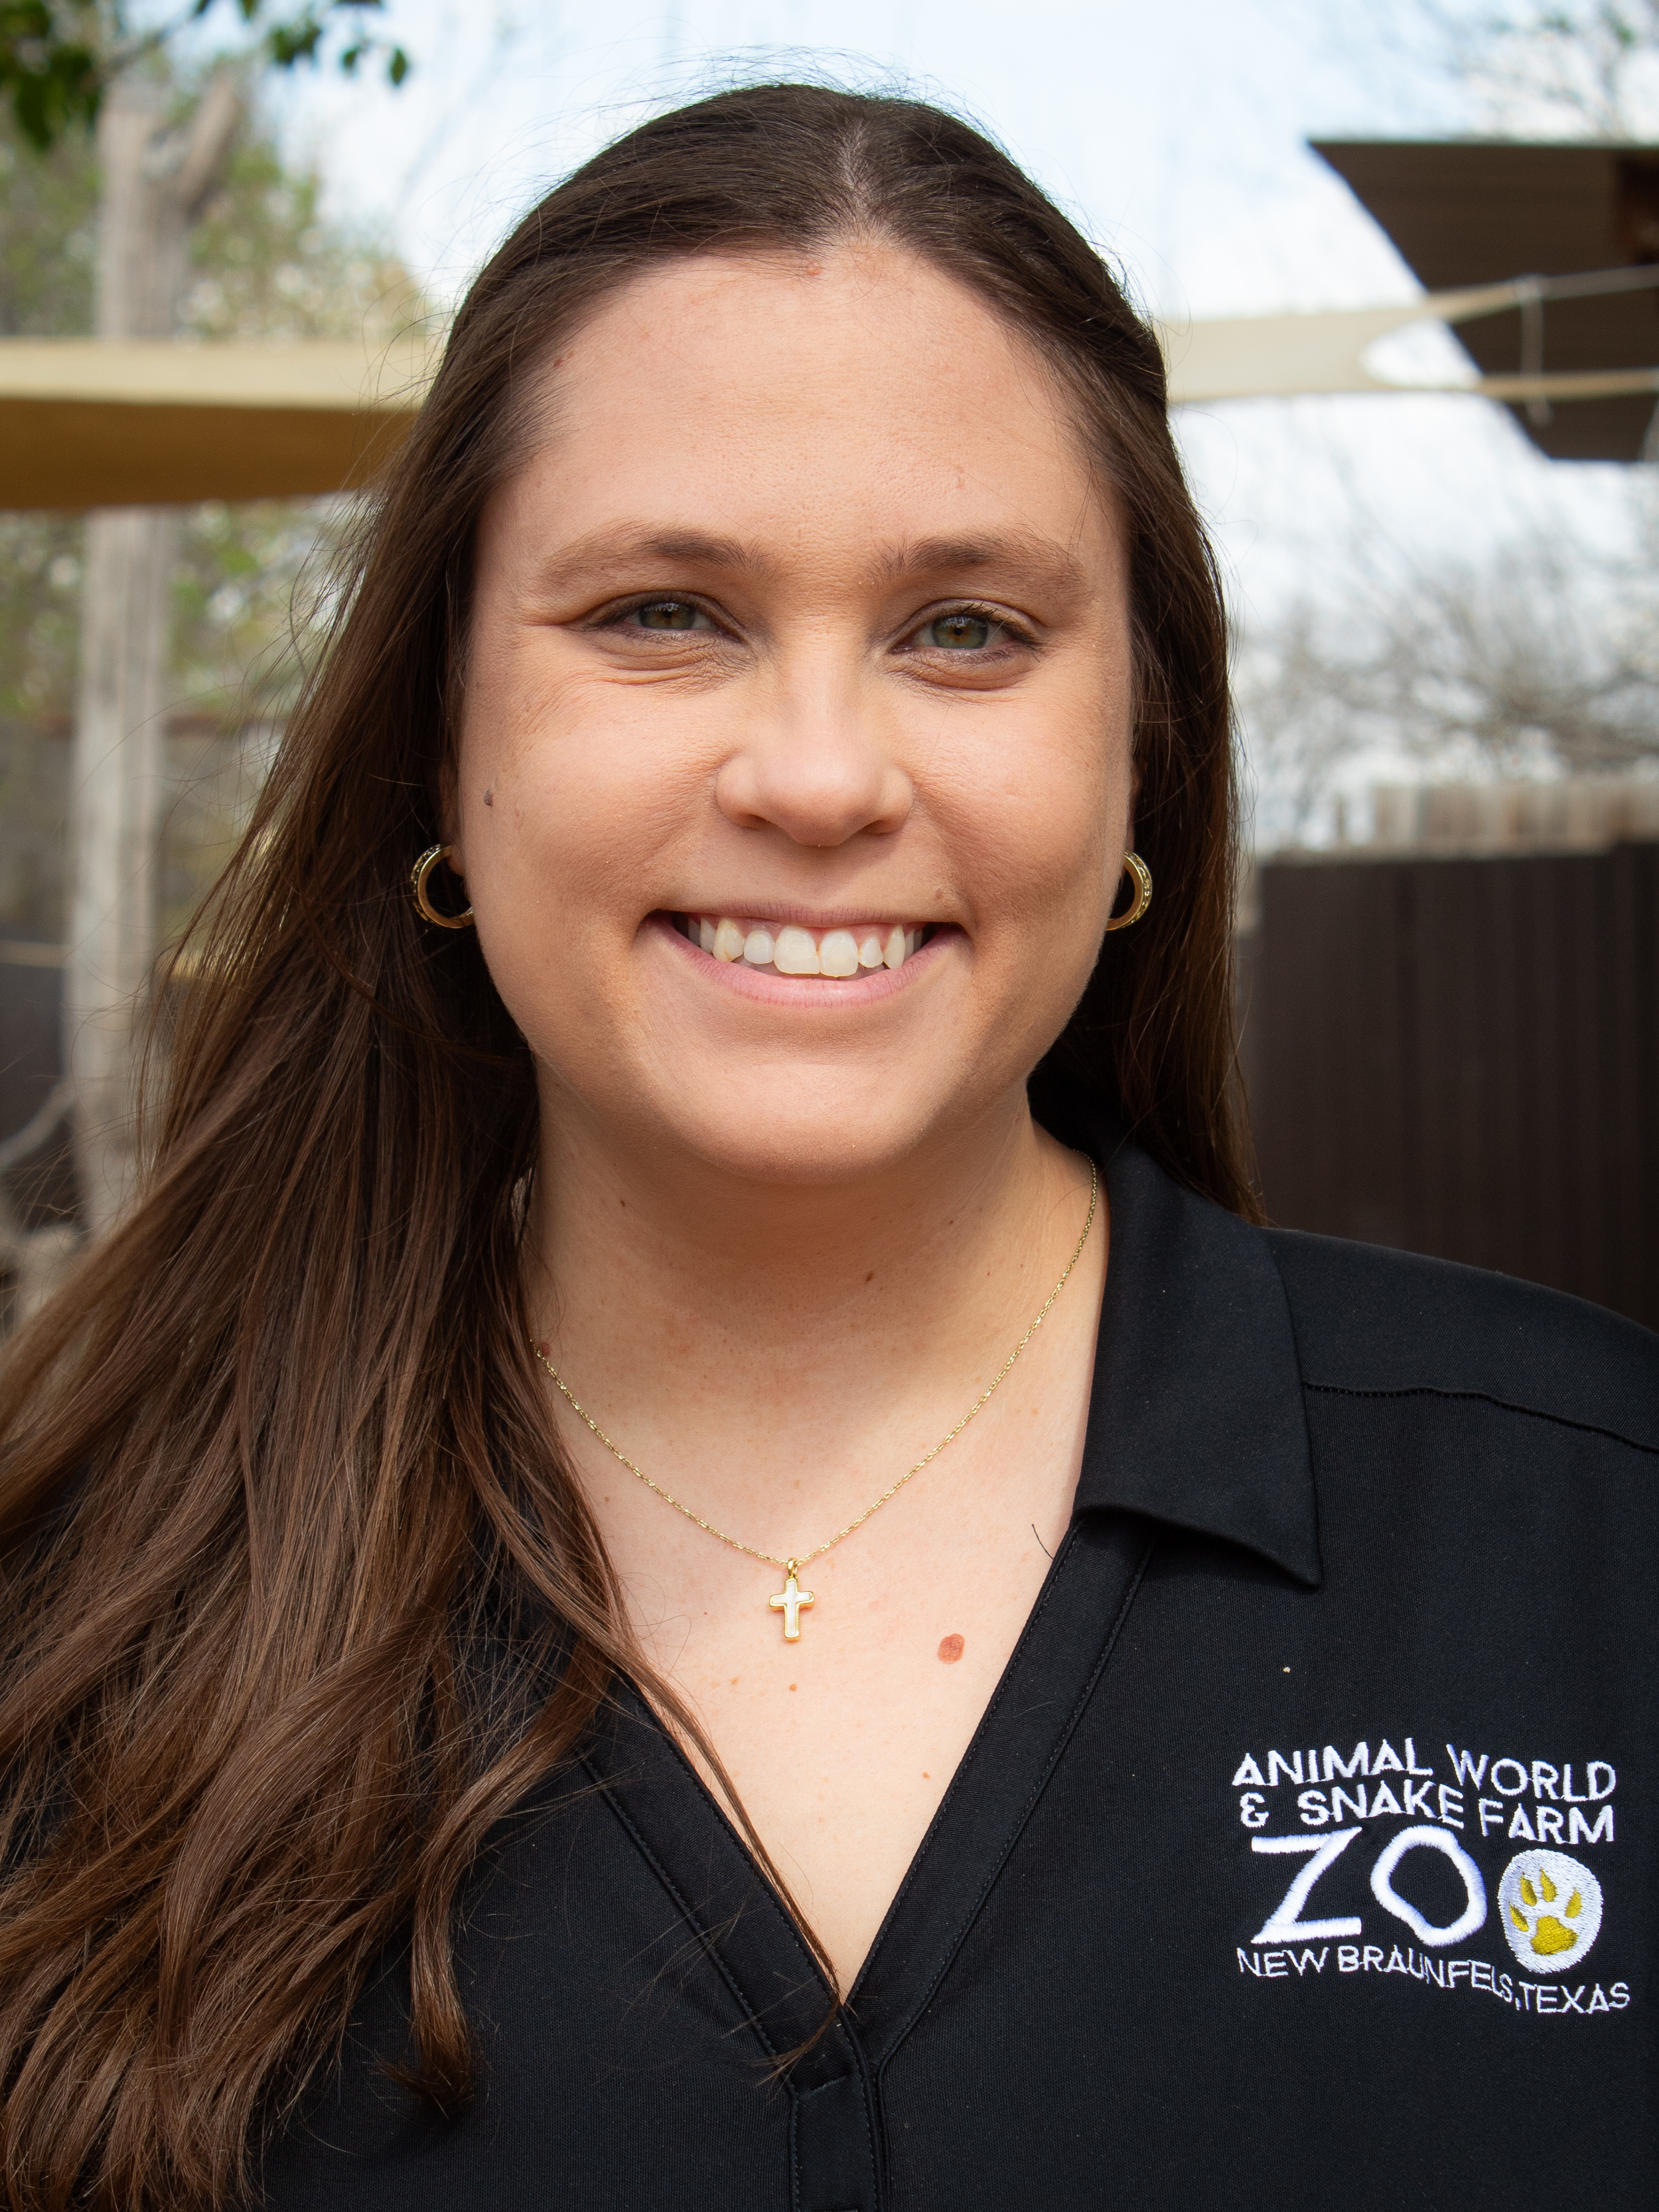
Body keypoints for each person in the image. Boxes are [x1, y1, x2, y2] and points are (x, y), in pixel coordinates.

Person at [1, 82, 1654, 2212]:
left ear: (1139, 745)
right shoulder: (72, 1631)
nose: (812, 772)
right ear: (441, 732)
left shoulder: (1591, 1545)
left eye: (964, 626)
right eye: (662, 612)